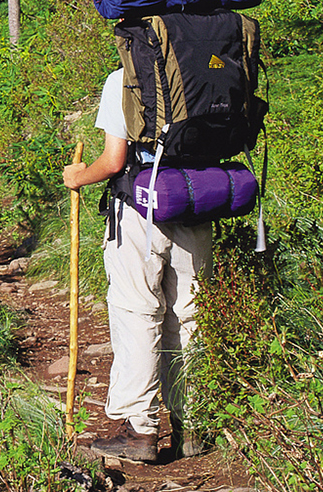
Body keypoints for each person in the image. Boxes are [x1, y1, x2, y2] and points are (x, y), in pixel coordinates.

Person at [61, 67, 213, 462]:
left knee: (137, 311)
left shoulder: (126, 77)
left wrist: (78, 177)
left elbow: (114, 161)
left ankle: (140, 429)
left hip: (140, 209)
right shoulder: (204, 70)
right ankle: (192, 425)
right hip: (198, 200)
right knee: (189, 313)